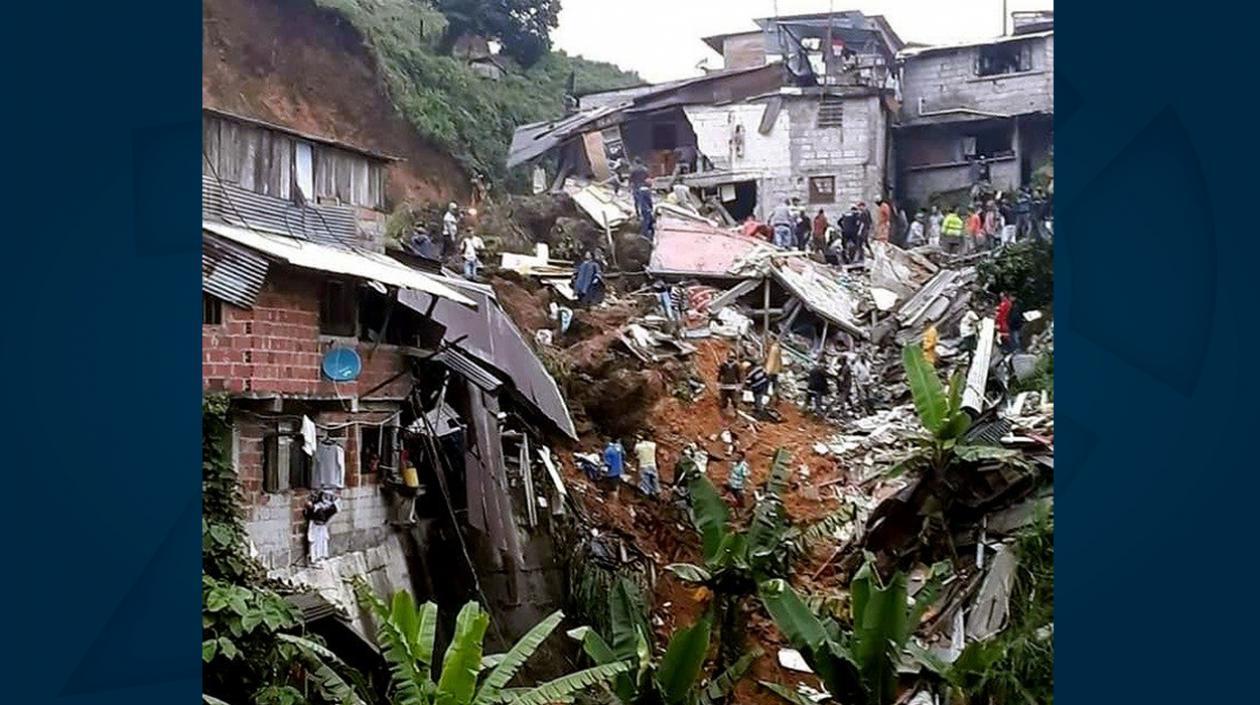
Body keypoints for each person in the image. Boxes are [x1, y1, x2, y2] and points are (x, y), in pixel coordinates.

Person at [629, 158, 654, 238]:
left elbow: (630, 180)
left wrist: (630, 187)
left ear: (635, 162)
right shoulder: (645, 169)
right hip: (645, 188)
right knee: (647, 205)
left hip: (637, 187)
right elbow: (648, 180)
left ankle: (639, 215)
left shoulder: (633, 170)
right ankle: (649, 220)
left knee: (638, 202)